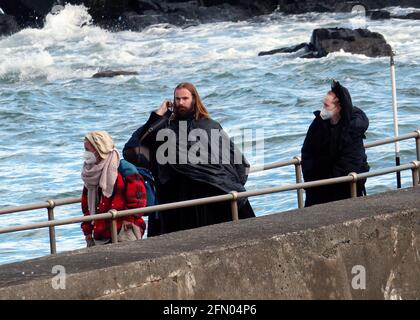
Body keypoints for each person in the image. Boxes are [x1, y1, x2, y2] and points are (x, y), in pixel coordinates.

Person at [124, 82, 255, 236]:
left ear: (194, 99)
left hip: (212, 193)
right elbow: (134, 146)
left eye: (185, 98)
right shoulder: (164, 128)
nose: (181, 103)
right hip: (178, 198)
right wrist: (159, 114)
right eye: (177, 99)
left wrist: (221, 180)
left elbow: (237, 162)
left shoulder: (209, 125)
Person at [301, 80, 369, 207]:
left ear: (338, 107)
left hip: (342, 191)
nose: (323, 110)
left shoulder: (352, 130)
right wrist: (311, 179)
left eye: (326, 106)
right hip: (316, 189)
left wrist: (325, 180)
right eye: (323, 105)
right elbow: (307, 152)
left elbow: (351, 162)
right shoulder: (318, 124)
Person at [81, 131, 147, 247]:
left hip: (124, 229)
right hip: (100, 233)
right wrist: (87, 230)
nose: (85, 153)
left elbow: (139, 198)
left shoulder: (124, 169)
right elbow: (86, 205)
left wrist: (129, 219)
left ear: (99, 148)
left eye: (87, 149)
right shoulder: (90, 175)